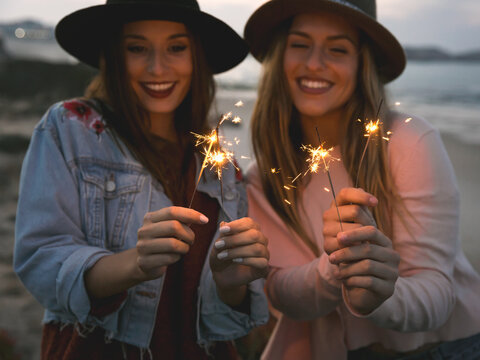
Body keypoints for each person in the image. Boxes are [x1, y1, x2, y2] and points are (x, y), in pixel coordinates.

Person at [13, 0, 270, 358]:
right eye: (137, 48)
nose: (157, 66)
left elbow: (223, 319)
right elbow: (41, 260)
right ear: (114, 56)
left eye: (176, 48)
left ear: (197, 56)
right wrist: (135, 264)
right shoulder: (70, 128)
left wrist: (230, 282)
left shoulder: (222, 167)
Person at [243, 0, 480, 359]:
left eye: (337, 49)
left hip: (443, 347)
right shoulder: (262, 179)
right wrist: (334, 268)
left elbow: (436, 292)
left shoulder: (408, 141)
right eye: (300, 44)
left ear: (362, 63)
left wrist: (380, 296)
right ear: (280, 54)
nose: (314, 63)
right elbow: (279, 294)